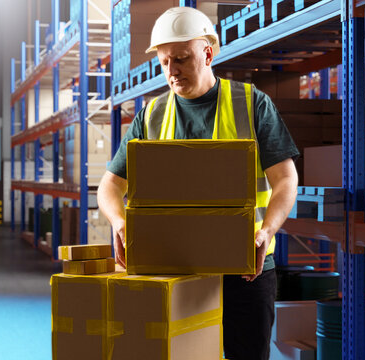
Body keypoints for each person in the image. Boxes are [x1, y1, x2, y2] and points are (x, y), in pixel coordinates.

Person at [97, 6, 299, 360]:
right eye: (164, 63)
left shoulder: (251, 104)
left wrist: (266, 231)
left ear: (207, 54)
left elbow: (285, 179)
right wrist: (119, 223)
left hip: (245, 270)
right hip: (175, 270)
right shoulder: (152, 115)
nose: (172, 71)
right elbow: (110, 186)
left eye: (181, 59)